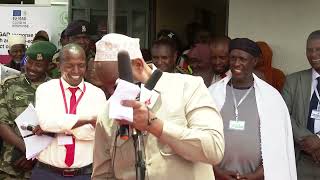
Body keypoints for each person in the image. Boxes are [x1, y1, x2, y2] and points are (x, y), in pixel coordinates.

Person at [91, 33, 224, 180]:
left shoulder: (188, 88)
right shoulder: (107, 112)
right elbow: (102, 175)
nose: (112, 95)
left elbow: (214, 149)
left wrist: (155, 126)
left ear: (138, 65)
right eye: (106, 88)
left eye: (116, 86)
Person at [209, 38, 297, 180]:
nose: (237, 63)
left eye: (242, 59)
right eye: (233, 58)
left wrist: (258, 175)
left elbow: (279, 146)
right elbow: (200, 138)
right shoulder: (212, 93)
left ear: (254, 62)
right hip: (216, 176)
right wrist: (216, 171)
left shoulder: (272, 98)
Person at [31, 43, 107, 180]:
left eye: (81, 65)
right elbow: (46, 123)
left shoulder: (97, 94)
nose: (76, 70)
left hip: (84, 174)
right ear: (59, 65)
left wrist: (59, 127)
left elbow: (98, 133)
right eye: (70, 65)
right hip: (47, 173)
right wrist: (88, 120)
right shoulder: (46, 90)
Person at [0, 41, 57, 179]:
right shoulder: (10, 84)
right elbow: (2, 123)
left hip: (43, 167)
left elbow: (58, 128)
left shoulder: (56, 89)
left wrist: (35, 156)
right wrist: (28, 150)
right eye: (29, 62)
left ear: (50, 66)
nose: (31, 68)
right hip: (10, 166)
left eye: (38, 65)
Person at [282, 30, 320, 179]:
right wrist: (309, 142)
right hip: (302, 159)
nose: (313, 54)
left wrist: (319, 141)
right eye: (309, 50)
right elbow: (283, 115)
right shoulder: (293, 81)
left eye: (318, 49)